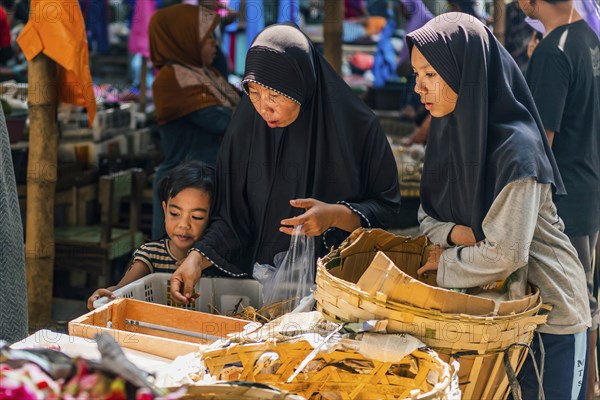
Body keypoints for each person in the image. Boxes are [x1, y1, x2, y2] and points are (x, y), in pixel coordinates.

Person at [407, 13, 591, 399]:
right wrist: (462, 234)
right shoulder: (449, 132)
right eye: (416, 75)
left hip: (549, 319)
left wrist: (446, 260)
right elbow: (426, 214)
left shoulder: (518, 153)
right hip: (493, 318)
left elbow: (505, 254)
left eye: (430, 75)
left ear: (464, 71)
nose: (419, 89)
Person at [170, 23, 401, 304]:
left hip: (336, 295)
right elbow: (231, 217)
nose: (264, 108)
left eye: (275, 96)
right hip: (254, 294)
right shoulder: (246, 128)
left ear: (301, 83)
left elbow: (387, 210)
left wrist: (335, 215)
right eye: (253, 93)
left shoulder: (358, 129)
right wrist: (196, 259)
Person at [520, 0, 600, 397]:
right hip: (587, 195)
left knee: (569, 313)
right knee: (585, 305)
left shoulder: (554, 53)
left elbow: (540, 149)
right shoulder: (588, 38)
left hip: (563, 205)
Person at [149, 4, 240, 239]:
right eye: (207, 37)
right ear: (185, 37)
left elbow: (241, 108)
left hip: (209, 182)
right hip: (182, 187)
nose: (215, 43)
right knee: (173, 263)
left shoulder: (208, 74)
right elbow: (222, 122)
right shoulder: (172, 78)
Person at [87, 161, 215, 310]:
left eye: (197, 217)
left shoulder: (216, 261)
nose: (183, 224)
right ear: (165, 210)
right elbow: (121, 290)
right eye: (175, 214)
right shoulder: (151, 255)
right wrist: (102, 297)